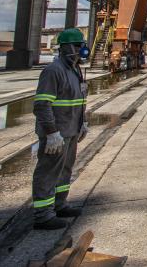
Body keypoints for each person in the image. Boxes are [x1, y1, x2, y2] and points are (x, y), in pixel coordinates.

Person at [31, 28, 89, 230]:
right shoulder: (53, 71)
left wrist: (83, 123)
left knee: (65, 170)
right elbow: (41, 105)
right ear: (66, 48)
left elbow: (79, 100)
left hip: (71, 129)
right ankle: (43, 216)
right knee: (48, 171)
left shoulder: (75, 70)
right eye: (78, 46)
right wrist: (51, 132)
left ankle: (59, 204)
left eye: (82, 45)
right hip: (56, 132)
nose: (82, 49)